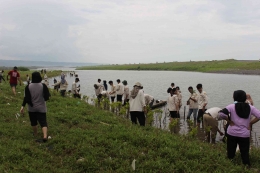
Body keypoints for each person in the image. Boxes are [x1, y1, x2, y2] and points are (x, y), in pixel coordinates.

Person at [219, 90, 260, 167]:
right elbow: (259, 116)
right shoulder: (250, 107)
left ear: (235, 97)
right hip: (244, 134)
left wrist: (229, 121)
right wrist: (250, 123)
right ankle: (246, 166)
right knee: (245, 153)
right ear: (244, 98)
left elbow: (221, 114)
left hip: (232, 133)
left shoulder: (231, 106)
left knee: (231, 152)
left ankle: (229, 166)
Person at [20, 71, 50, 143]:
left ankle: (35, 134)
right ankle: (45, 136)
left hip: (31, 108)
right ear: (39, 77)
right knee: (43, 122)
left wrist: (22, 106)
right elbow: (47, 97)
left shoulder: (28, 86)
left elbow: (26, 98)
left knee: (33, 122)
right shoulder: (43, 86)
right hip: (41, 107)